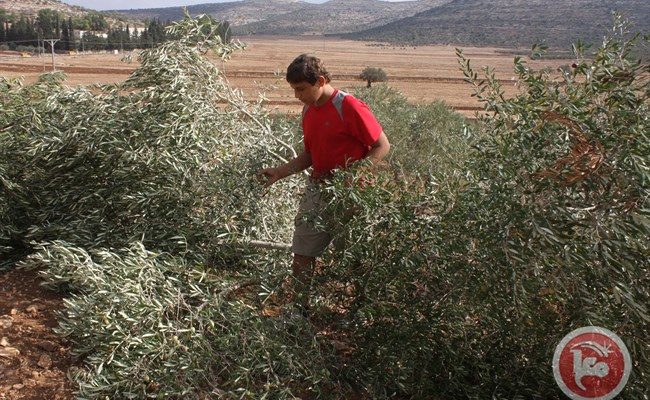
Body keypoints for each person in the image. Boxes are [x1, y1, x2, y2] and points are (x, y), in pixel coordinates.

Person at [259, 54, 390, 308]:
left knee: (355, 256)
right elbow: (311, 154)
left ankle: (361, 313)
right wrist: (281, 171)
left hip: (353, 194)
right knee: (302, 252)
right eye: (294, 90)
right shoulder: (309, 109)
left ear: (320, 81)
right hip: (318, 188)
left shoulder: (349, 106)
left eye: (301, 89)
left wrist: (352, 177)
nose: (297, 96)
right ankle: (299, 311)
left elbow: (382, 146)